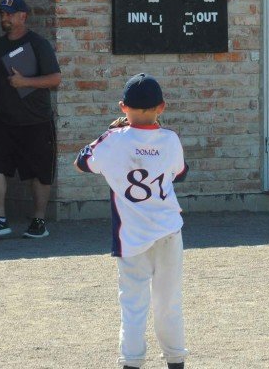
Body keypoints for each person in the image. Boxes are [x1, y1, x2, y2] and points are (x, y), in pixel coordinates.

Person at [74, 73, 188, 369]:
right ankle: (176, 360)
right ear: (161, 107)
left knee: (134, 305)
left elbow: (82, 161)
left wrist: (113, 130)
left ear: (122, 106)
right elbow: (180, 172)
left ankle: (132, 362)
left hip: (132, 237)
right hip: (168, 231)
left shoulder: (113, 140)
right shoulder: (170, 139)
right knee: (169, 302)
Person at [0, 0, 62, 239]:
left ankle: (38, 221)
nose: (5, 18)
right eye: (3, 14)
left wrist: (25, 82)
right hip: (2, 119)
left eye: (10, 14)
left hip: (36, 120)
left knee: (39, 172)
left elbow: (55, 79)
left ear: (23, 16)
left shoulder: (38, 44)